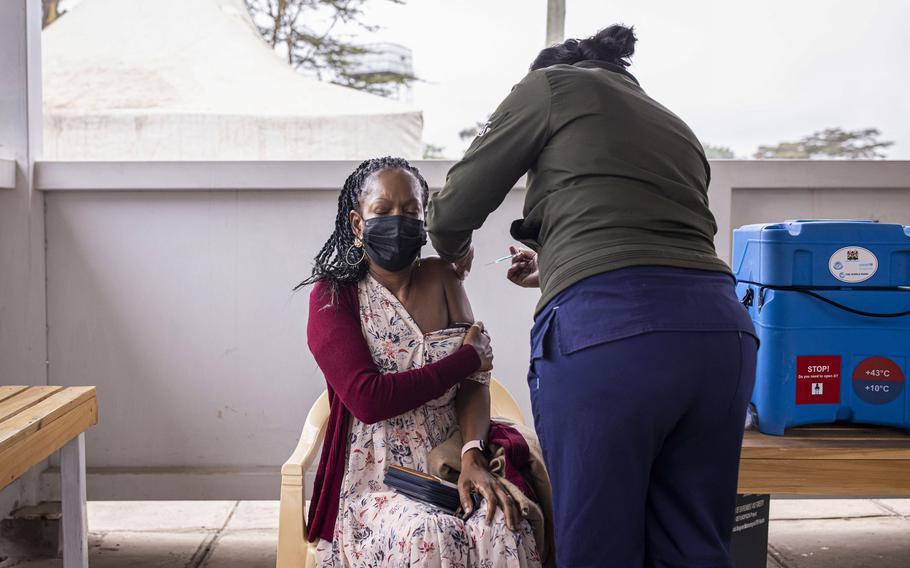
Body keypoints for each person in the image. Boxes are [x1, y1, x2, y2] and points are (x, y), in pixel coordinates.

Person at [426, 25, 759, 568]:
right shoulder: (677, 125)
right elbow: (651, 239)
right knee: (695, 543)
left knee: (598, 545)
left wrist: (453, 249)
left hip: (609, 340)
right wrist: (556, 263)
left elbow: (451, 211)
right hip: (721, 337)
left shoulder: (549, 85)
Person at [299, 157, 541, 567]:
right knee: (430, 534)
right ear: (358, 224)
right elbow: (367, 399)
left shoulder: (444, 280)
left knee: (503, 523)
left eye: (411, 212)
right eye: (383, 211)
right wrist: (464, 360)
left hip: (449, 466)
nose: (398, 220)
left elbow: (475, 384)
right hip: (373, 479)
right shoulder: (332, 298)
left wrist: (471, 455)